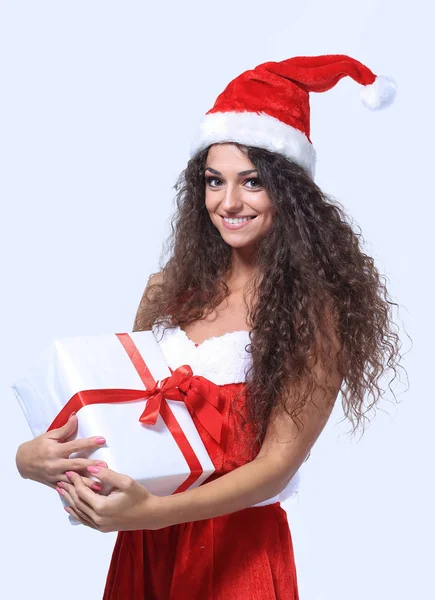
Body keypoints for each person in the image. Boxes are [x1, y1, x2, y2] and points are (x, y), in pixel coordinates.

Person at [15, 54, 402, 599]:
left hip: (236, 551)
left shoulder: (312, 311)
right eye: (214, 181)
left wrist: (156, 512)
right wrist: (33, 460)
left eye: (252, 182)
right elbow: (125, 429)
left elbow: (274, 466)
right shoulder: (167, 289)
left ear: (289, 192)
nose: (229, 202)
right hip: (148, 544)